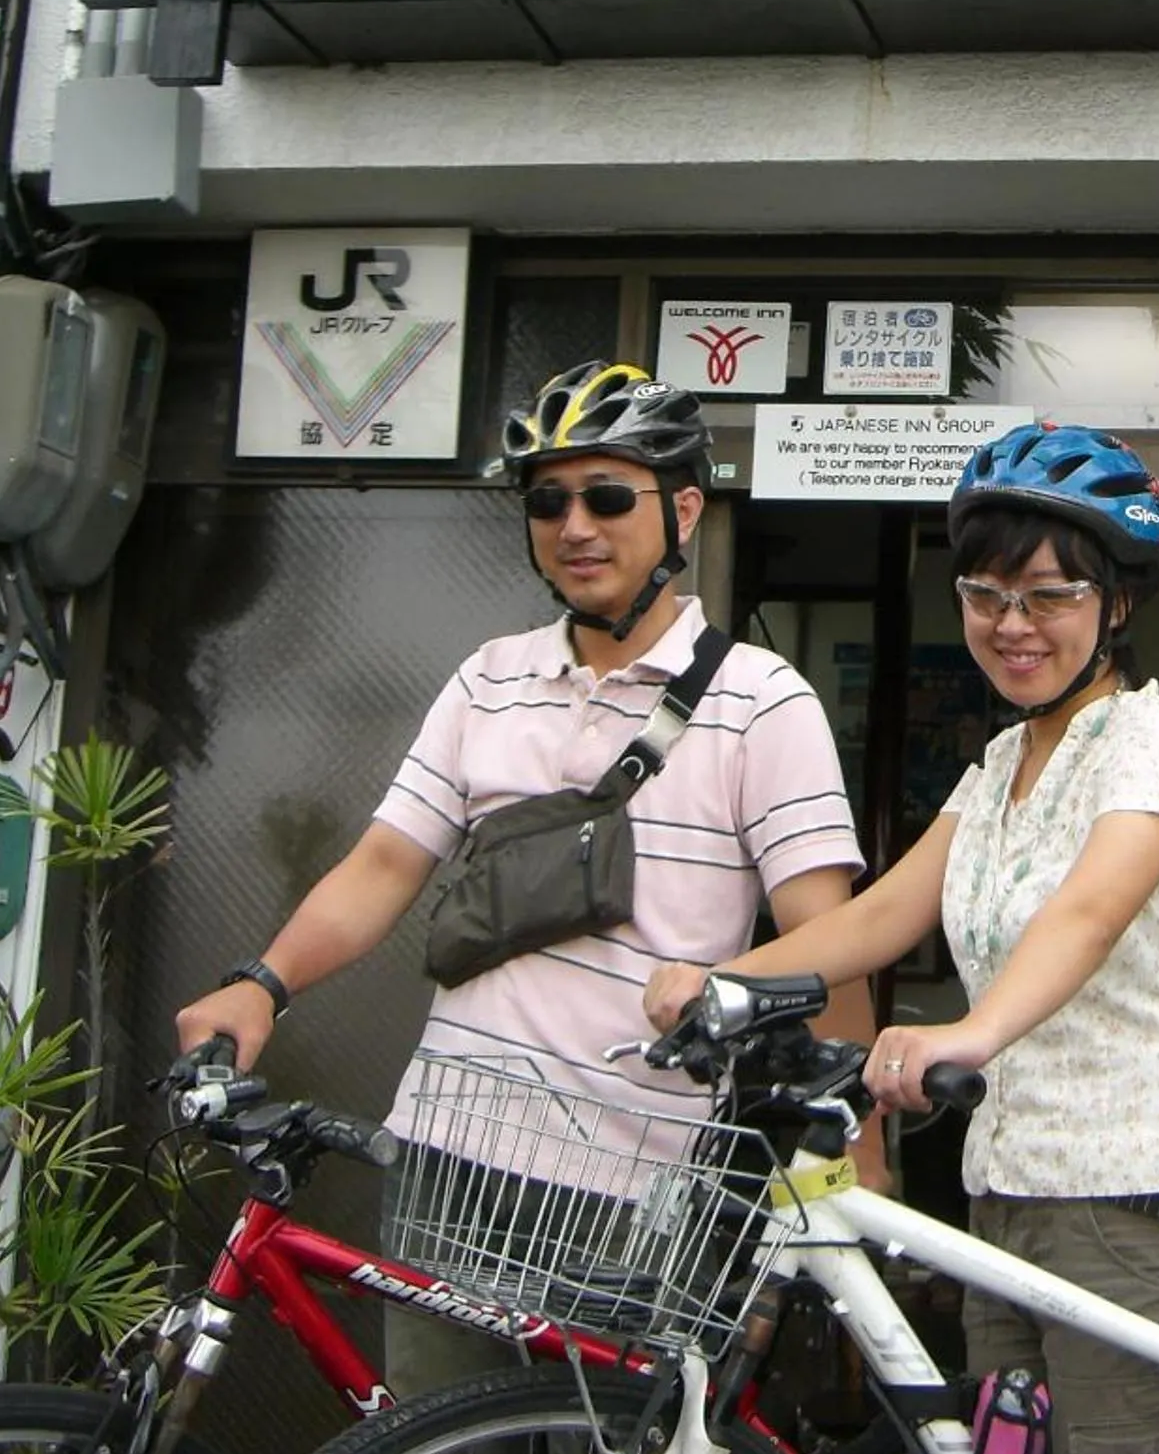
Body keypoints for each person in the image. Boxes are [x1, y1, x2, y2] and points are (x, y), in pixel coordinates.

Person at [175, 359, 874, 1398]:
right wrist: (261, 982)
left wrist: (852, 1149)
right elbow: (382, 867)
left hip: (640, 1179)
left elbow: (829, 938)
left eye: (606, 495)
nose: (574, 525)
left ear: (681, 510)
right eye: (547, 499)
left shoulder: (760, 701)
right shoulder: (488, 677)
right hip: (452, 1156)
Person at [647, 420, 1159, 1454]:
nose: (1012, 626)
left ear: (1114, 603)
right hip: (1006, 1194)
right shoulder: (1002, 762)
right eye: (985, 594)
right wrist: (730, 980)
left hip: (1134, 1208)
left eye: (1049, 596)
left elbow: (1087, 916)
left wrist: (965, 1033)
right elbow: (881, 915)